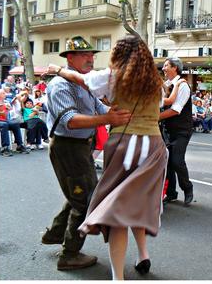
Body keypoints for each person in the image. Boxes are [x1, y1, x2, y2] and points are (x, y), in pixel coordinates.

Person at [41, 36, 131, 271]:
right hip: (67, 147)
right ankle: (69, 254)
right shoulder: (59, 85)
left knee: (78, 192)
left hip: (80, 147)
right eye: (84, 55)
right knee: (84, 200)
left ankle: (55, 233)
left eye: (92, 55)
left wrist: (110, 111)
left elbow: (97, 106)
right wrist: (108, 119)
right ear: (69, 58)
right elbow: (70, 121)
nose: (91, 58)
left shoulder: (83, 83)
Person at [160, 57, 194, 206]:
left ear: (175, 68)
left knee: (177, 161)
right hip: (167, 130)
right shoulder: (167, 85)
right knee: (167, 163)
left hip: (182, 130)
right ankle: (171, 193)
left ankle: (188, 188)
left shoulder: (183, 86)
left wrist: (155, 118)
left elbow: (175, 110)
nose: (163, 68)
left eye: (166, 65)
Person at [0, 89, 30, 156]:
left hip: (4, 120)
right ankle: (5, 147)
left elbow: (9, 110)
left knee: (15, 123)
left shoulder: (5, 102)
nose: (5, 95)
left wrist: (8, 108)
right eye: (3, 93)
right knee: (4, 124)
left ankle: (19, 145)